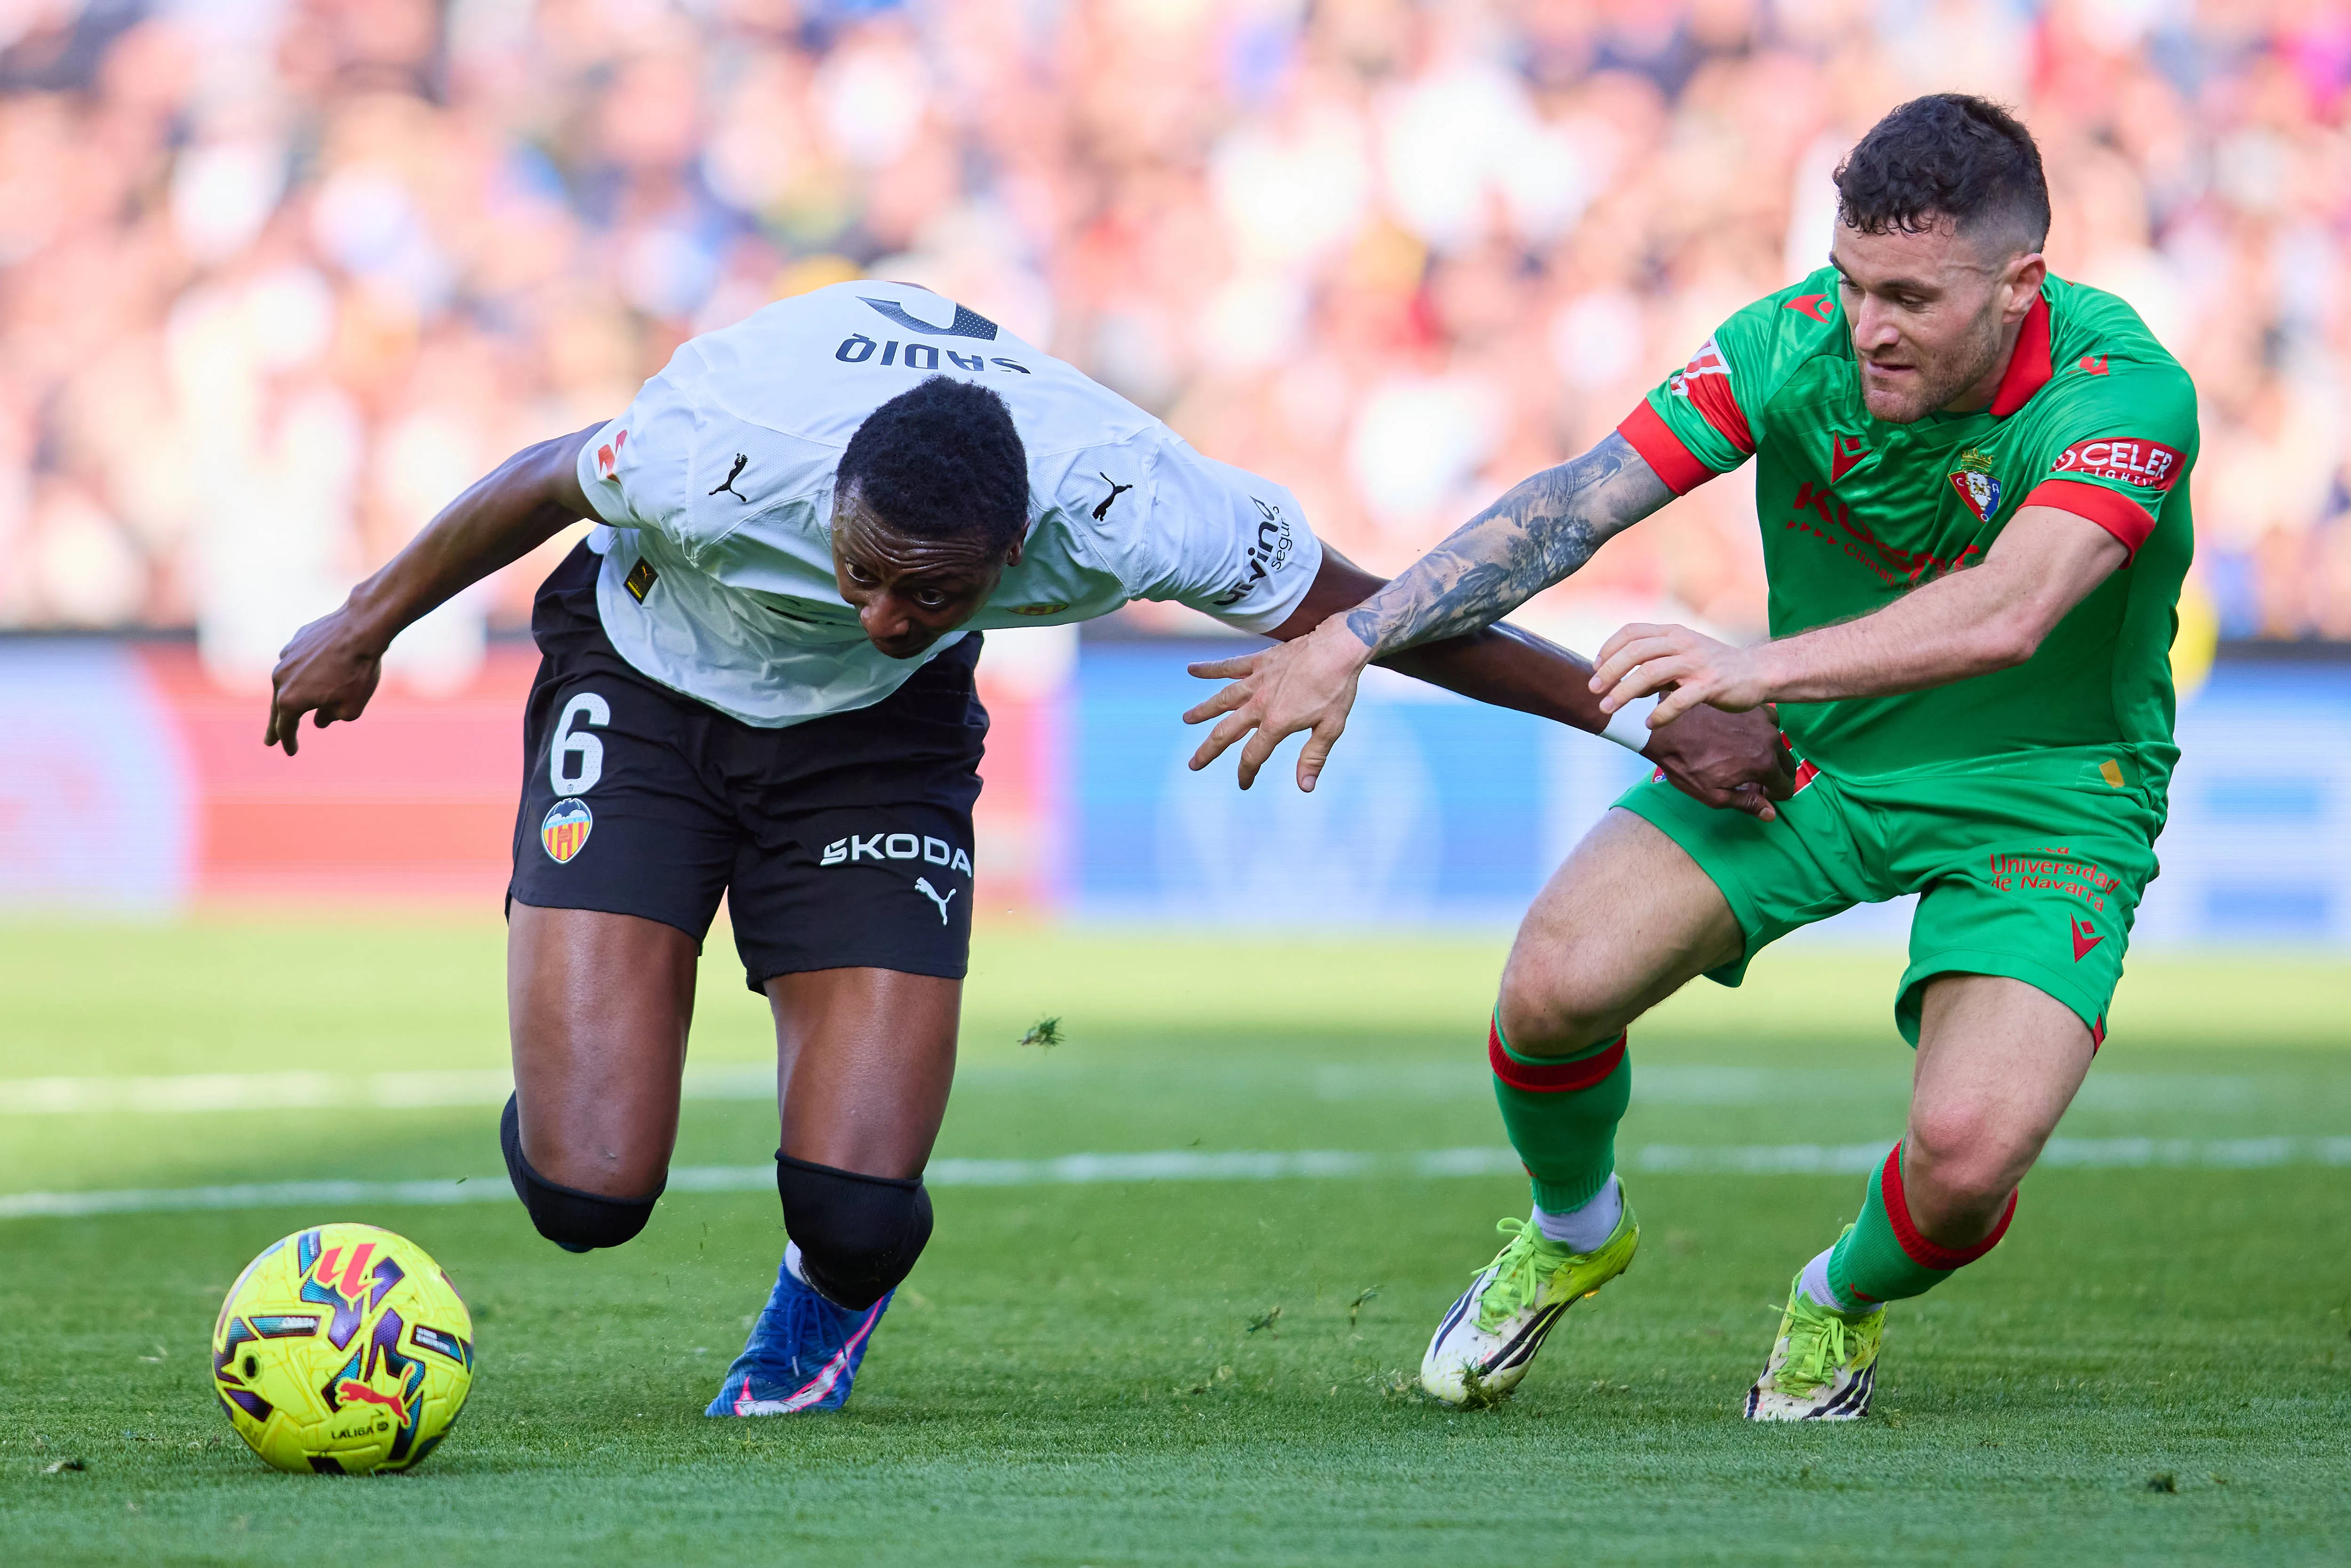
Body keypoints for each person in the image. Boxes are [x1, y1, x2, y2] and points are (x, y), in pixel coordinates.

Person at [263, 280, 1793, 1416]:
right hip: (647, 688)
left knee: (857, 1212)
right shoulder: (720, 449)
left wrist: (1641, 725)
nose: (880, 610)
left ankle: (819, 1305)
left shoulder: (1133, 503)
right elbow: (541, 478)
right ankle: (602, 983)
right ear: (833, 506)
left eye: (929, 593)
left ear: (1017, 560)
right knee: (589, 1189)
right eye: (862, 573)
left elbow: (1379, 607)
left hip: (875, 745)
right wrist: (363, 621)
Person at [1185, 94, 2196, 1419]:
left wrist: (1750, 664)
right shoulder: (1791, 346)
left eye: (1908, 297)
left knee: (1965, 1154)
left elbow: (2013, 611)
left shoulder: (2126, 393)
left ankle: (1838, 1298)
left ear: (2022, 287)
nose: (1868, 326)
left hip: (2050, 794)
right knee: (1551, 983)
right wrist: (1355, 636)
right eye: (1850, 284)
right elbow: (1574, 505)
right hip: (1814, 759)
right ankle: (1570, 1228)